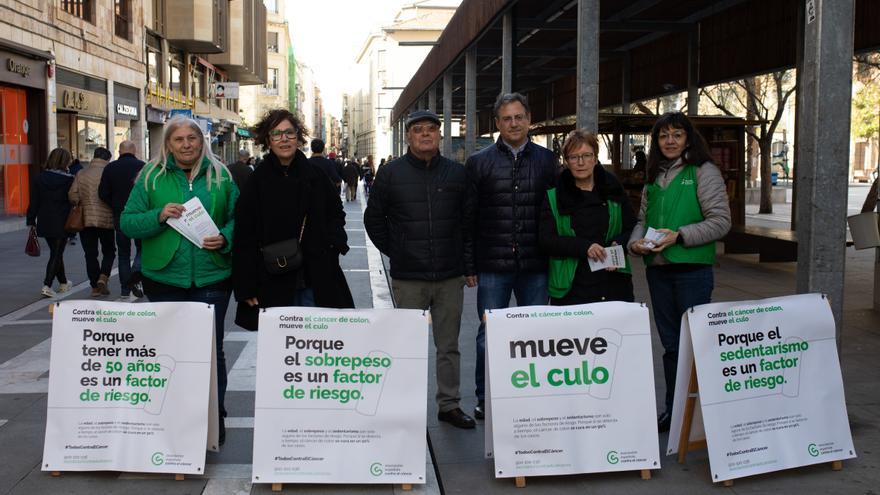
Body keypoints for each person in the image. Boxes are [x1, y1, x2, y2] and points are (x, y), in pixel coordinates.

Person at [120, 116, 238, 444]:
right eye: (179, 139)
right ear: (168, 144)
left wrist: (226, 238)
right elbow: (127, 223)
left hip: (213, 276)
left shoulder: (221, 176)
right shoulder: (150, 177)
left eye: (192, 138)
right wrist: (157, 216)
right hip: (164, 276)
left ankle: (215, 418)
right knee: (168, 352)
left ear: (202, 142)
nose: (186, 144)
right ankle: (174, 418)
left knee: (211, 351)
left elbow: (240, 219)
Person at [365, 110, 476, 429]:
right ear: (408, 137)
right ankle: (405, 405)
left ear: (440, 135)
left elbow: (468, 222)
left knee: (449, 346)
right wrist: (397, 249)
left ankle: (449, 404)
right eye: (418, 130)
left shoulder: (457, 173)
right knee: (406, 345)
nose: (425, 134)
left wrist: (468, 265)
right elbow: (374, 218)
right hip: (408, 276)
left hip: (449, 274)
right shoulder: (391, 173)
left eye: (431, 129)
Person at [627, 112, 731, 433]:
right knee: (672, 346)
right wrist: (635, 244)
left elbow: (721, 221)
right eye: (663, 136)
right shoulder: (654, 176)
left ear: (688, 138)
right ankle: (673, 412)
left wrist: (680, 235)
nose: (670, 141)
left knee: (696, 344)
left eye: (677, 135)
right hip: (658, 272)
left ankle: (702, 417)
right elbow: (643, 219)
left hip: (692, 272)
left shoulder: (703, 171)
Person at [465, 92, 558, 420]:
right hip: (492, 264)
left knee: (534, 335)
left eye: (519, 117)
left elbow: (556, 213)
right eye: (507, 118)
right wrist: (469, 263)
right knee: (487, 333)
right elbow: (469, 217)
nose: (514, 123)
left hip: (536, 264)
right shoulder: (479, 162)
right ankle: (485, 397)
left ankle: (529, 394)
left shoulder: (548, 162)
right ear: (497, 123)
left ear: (529, 119)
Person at [233, 109, 353, 329]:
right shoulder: (257, 180)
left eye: (289, 132)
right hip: (272, 276)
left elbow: (336, 213)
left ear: (298, 137)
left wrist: (334, 244)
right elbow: (243, 234)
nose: (284, 139)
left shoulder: (315, 175)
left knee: (316, 344)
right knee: (280, 348)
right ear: (268, 140)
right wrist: (246, 285)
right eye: (277, 134)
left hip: (314, 275)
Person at [539, 130, 636, 305]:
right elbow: (546, 240)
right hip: (573, 285)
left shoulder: (612, 187)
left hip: (614, 282)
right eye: (574, 157)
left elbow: (632, 227)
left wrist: (618, 244)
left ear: (595, 157)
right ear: (566, 161)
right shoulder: (554, 196)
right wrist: (584, 247)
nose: (581, 162)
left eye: (586, 155)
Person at [99, 140, 146, 299]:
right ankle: (136, 272)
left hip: (120, 215)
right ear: (135, 151)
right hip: (140, 215)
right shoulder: (143, 167)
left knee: (123, 253)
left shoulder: (110, 168)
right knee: (142, 248)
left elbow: (102, 193)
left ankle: (125, 289)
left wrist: (115, 205)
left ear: (119, 151)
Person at [27, 148, 76, 298]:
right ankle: (47, 285)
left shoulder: (39, 178)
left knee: (56, 252)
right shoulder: (69, 180)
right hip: (62, 221)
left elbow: (34, 201)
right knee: (56, 253)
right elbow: (73, 201)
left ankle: (63, 282)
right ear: (65, 162)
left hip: (45, 220)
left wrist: (31, 220)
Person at [70, 147, 116, 297]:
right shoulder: (108, 172)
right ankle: (103, 277)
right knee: (109, 251)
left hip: (86, 219)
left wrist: (80, 201)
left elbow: (72, 195)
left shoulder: (81, 173)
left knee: (90, 254)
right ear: (107, 159)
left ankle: (94, 286)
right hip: (106, 218)